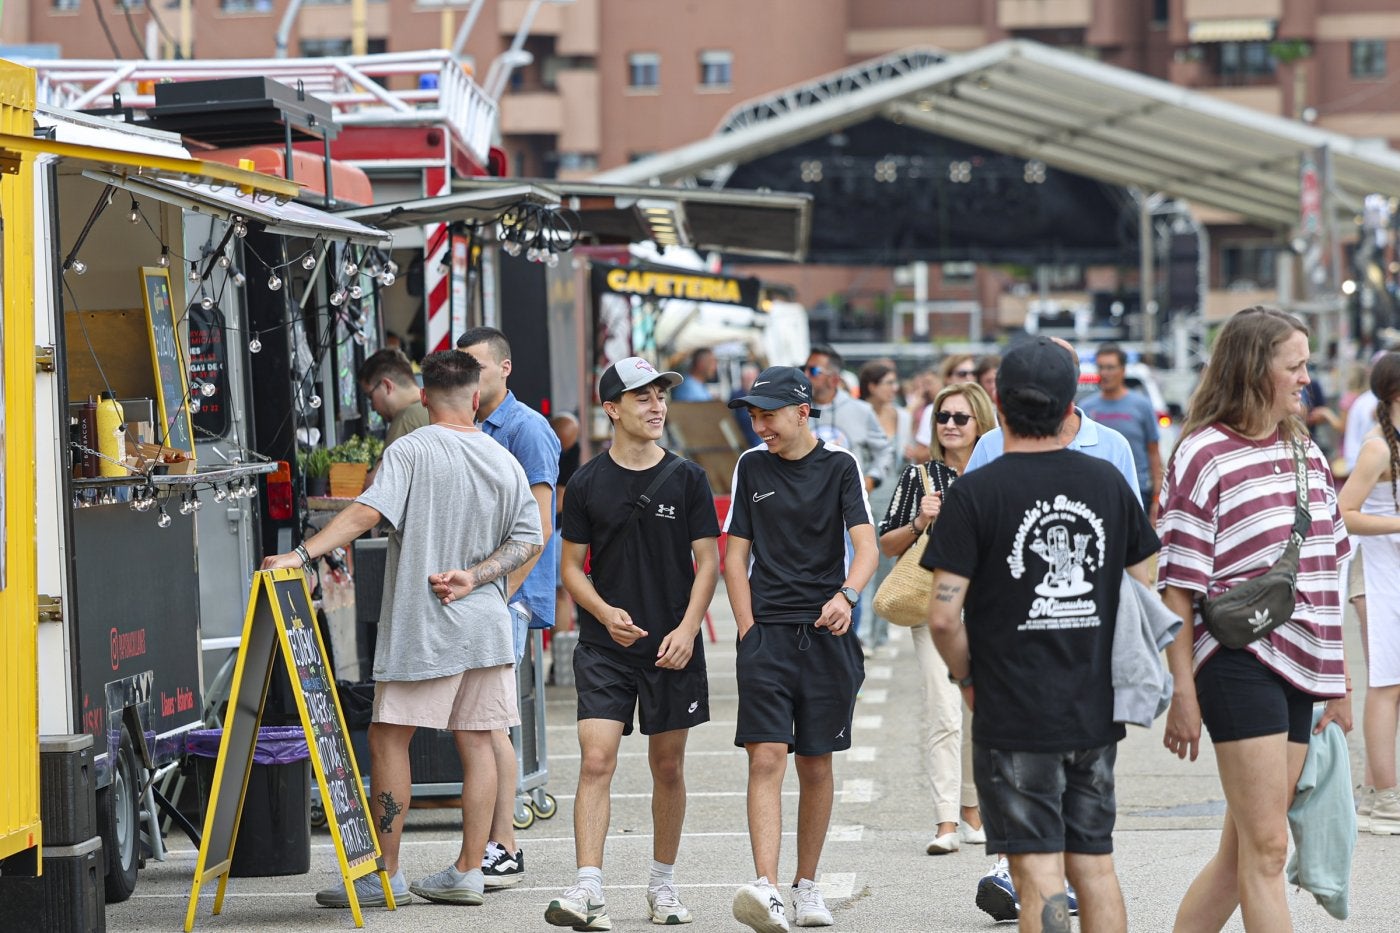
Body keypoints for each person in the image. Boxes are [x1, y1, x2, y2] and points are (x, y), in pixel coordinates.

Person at [263, 350, 542, 909]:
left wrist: (301, 554)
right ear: (477, 398)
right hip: (485, 623)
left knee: (390, 737)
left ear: (425, 396)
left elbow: (368, 511)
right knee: (479, 742)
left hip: (426, 624)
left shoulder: (410, 449)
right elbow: (529, 540)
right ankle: (469, 870)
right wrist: (476, 577)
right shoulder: (503, 458)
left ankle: (384, 873)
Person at [923, 336, 1161, 933]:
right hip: (1092, 702)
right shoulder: (1108, 481)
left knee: (1037, 873)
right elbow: (1143, 581)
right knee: (1096, 865)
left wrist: (969, 680)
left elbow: (943, 616)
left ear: (998, 405)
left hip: (1011, 708)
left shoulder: (975, 491)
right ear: (1071, 403)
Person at [1158, 306, 1351, 932]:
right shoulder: (1203, 454)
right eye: (1294, 366)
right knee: (1267, 850)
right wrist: (1182, 691)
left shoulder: (1305, 449)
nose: (1307, 379)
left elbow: (1328, 569)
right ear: (1252, 369)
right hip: (1238, 661)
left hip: (1303, 664)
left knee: (1241, 853)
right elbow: (1177, 587)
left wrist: (1339, 680)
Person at [547, 357, 721, 930]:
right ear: (612, 409)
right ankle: (587, 888)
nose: (656, 406)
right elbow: (570, 568)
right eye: (642, 397)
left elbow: (708, 562)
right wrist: (602, 612)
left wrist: (688, 630)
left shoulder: (688, 478)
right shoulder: (587, 483)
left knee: (667, 767)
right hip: (605, 646)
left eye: (660, 396)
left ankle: (662, 885)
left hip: (672, 644)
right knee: (596, 759)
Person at [723, 365, 877, 932]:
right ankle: (766, 888)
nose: (760, 426)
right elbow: (734, 556)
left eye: (768, 415)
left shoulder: (840, 465)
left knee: (815, 762)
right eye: (754, 416)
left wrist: (848, 596)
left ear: (802, 412)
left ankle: (806, 886)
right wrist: (748, 630)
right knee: (765, 756)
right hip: (767, 633)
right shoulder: (751, 465)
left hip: (826, 635)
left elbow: (866, 547)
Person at [456, 326, 561, 890]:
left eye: (477, 365)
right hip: (482, 593)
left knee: (489, 722)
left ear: (505, 367)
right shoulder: (470, 424)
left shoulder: (527, 429)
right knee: (483, 722)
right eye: (462, 366)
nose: (469, 375)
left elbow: (539, 528)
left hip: (507, 597)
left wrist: (503, 596)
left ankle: (505, 847)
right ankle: (496, 846)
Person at [878, 381, 996, 856]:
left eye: (960, 417)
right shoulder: (920, 477)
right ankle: (946, 819)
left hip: (987, 608)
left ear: (980, 423)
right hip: (933, 607)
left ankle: (972, 810)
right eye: (942, 417)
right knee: (943, 711)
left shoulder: (997, 473)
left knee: (978, 713)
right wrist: (919, 522)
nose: (949, 425)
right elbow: (887, 544)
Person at [1338, 351, 1400, 834]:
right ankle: (1386, 801)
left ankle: (1371, 794)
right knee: (1386, 682)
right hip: (1376, 572)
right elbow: (1344, 512)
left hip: (1392, 569)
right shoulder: (1378, 447)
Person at [859, 360, 910, 649]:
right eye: (888, 383)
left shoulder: (902, 416)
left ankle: (878, 632)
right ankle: (863, 632)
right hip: (866, 492)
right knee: (865, 559)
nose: (894, 388)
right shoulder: (860, 413)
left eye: (894, 382)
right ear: (872, 386)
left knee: (887, 565)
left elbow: (905, 457)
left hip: (896, 495)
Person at [1080, 343, 1162, 519]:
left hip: (1136, 490)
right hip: (1095, 492)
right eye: (1101, 367)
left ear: (1123, 370)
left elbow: (1154, 452)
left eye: (1110, 367)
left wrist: (1157, 497)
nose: (1104, 373)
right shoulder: (1085, 408)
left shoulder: (1142, 405)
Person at [357, 348, 429, 485]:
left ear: (387, 386)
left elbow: (376, 485)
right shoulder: (434, 406)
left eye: (370, 397)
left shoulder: (407, 418)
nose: (373, 407)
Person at [909, 355, 978, 462]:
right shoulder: (932, 410)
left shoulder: (985, 409)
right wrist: (948, 442)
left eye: (973, 373)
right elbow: (920, 455)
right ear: (947, 378)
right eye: (962, 374)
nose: (969, 378)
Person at [730, 360, 764, 447]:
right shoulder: (736, 395)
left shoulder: (763, 394)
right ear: (742, 380)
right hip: (746, 435)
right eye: (747, 378)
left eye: (753, 378)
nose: (750, 381)